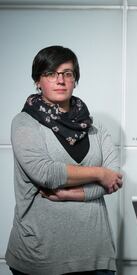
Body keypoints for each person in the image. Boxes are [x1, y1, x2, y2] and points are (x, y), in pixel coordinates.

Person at [6, 45, 123, 275]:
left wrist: (74, 194)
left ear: (75, 80)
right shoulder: (25, 122)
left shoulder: (95, 127)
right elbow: (46, 173)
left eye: (67, 74)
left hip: (95, 254)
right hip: (40, 257)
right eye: (51, 73)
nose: (60, 80)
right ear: (38, 81)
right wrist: (98, 173)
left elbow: (114, 178)